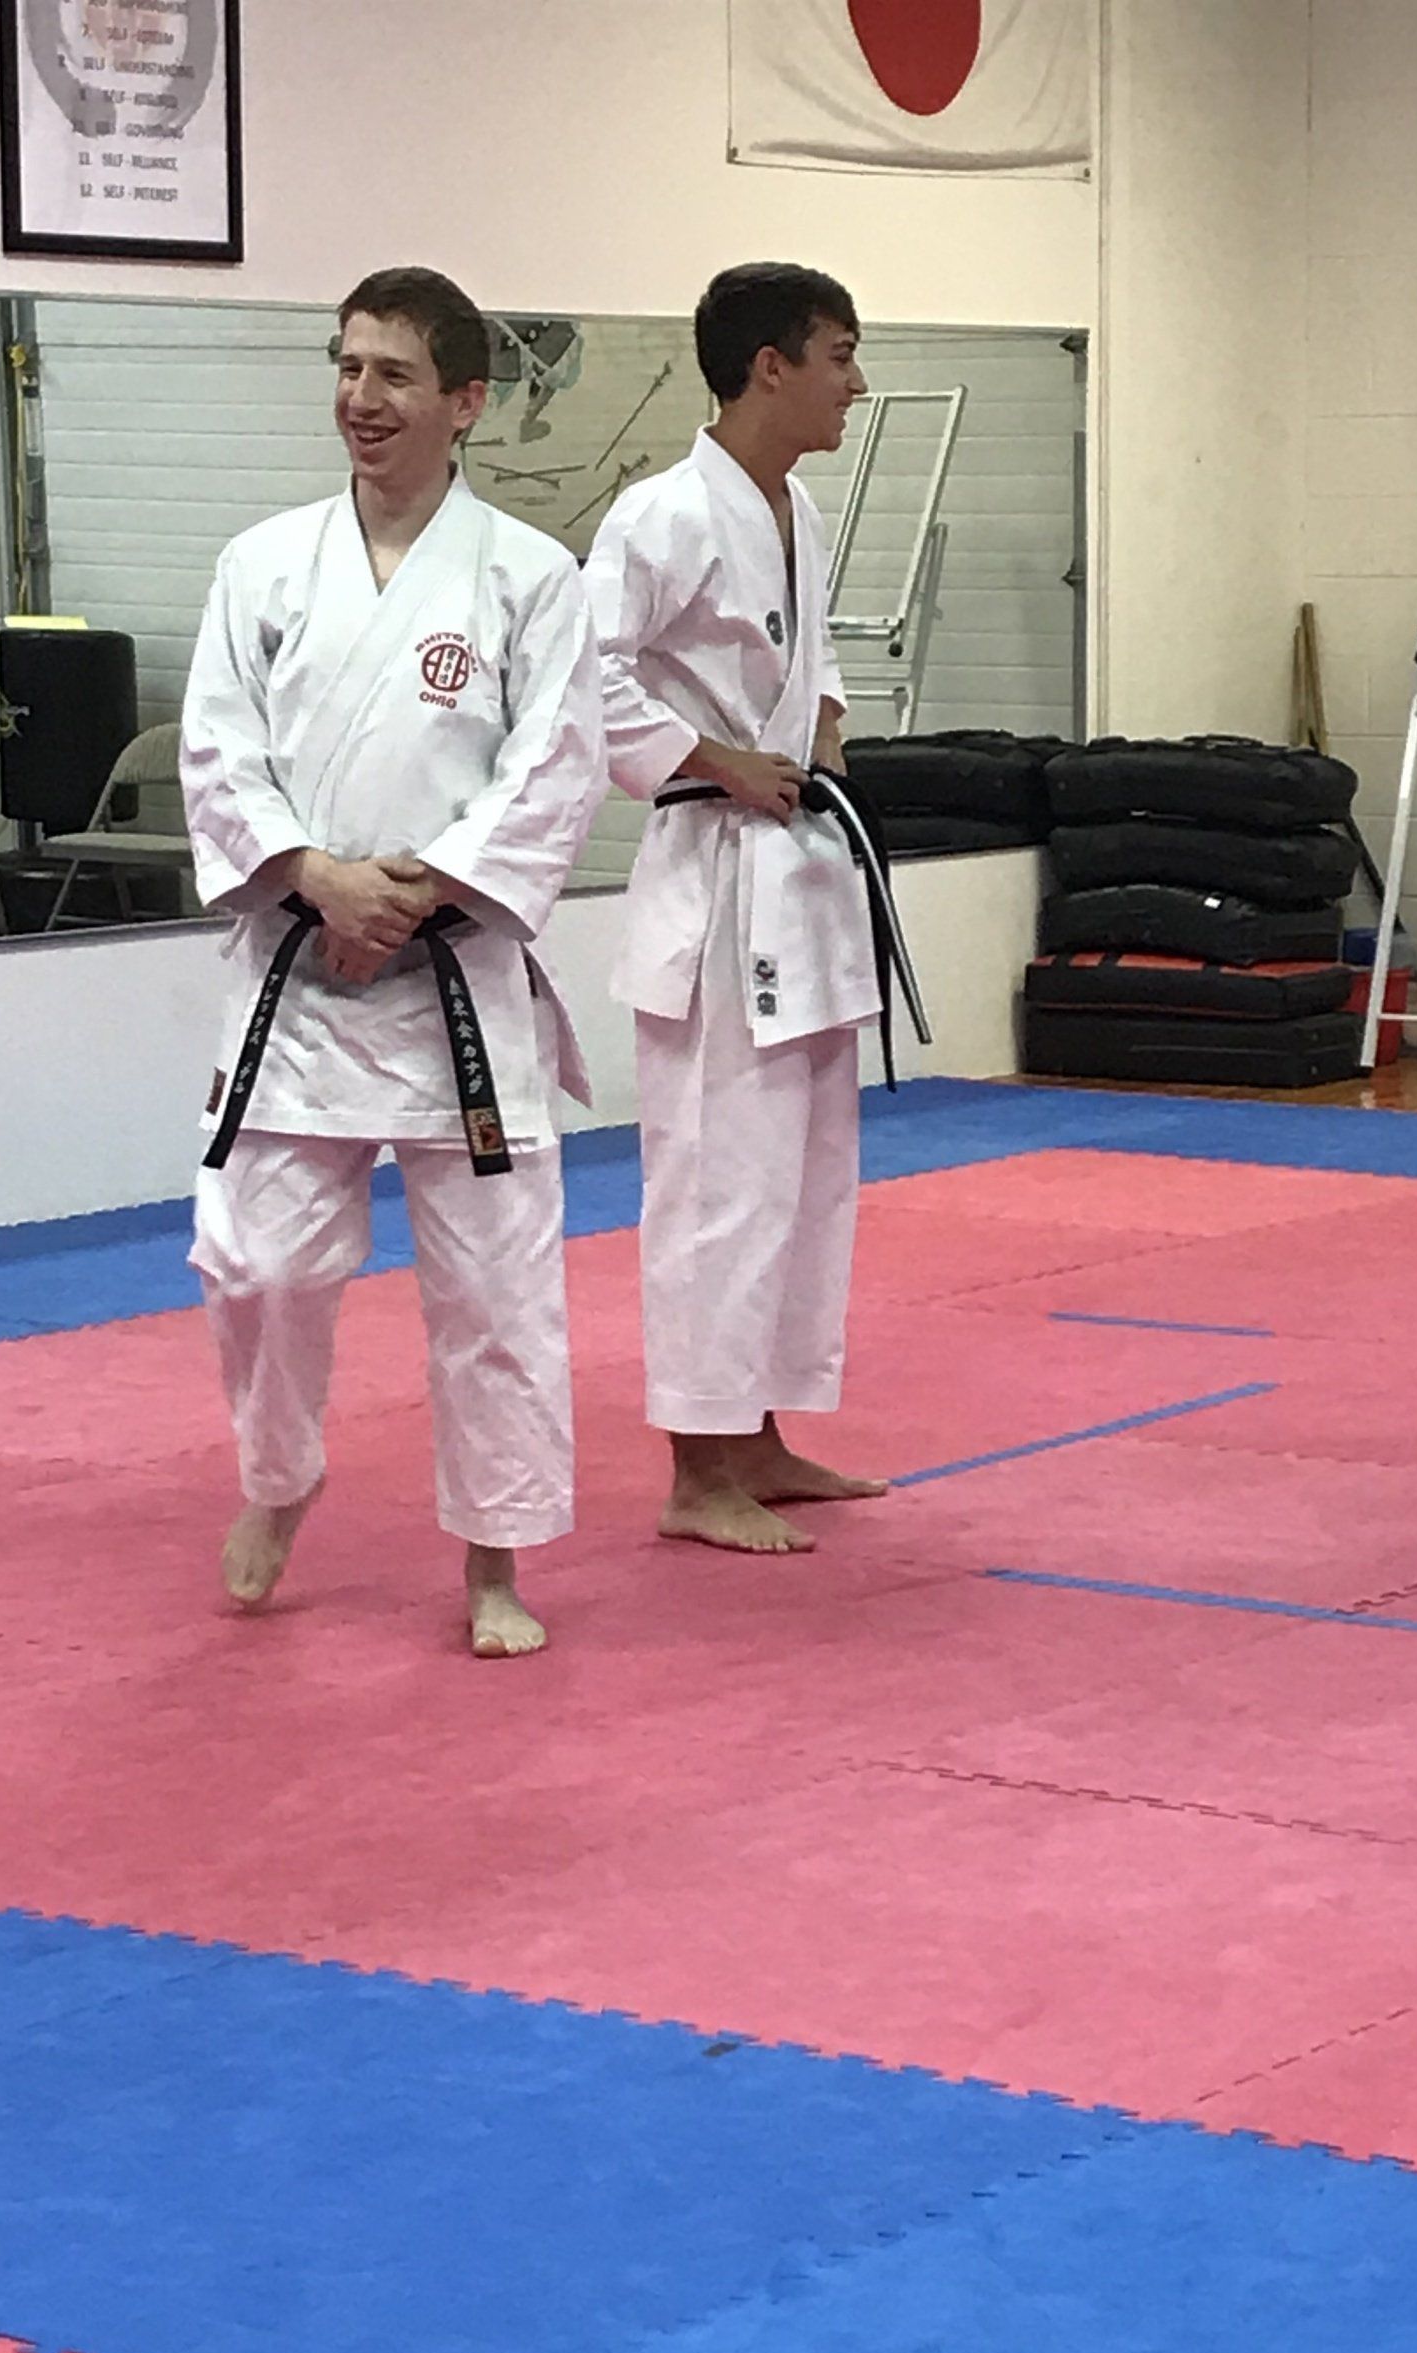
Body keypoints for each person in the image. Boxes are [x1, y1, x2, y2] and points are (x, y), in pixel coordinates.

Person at [180, 265, 607, 1651]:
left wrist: (414, 893)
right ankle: (278, 1475)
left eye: (394, 375)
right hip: (302, 970)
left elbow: (556, 768)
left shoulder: (530, 577)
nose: (361, 398)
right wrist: (318, 877)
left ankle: (494, 1563)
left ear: (466, 401)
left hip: (452, 984)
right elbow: (216, 752)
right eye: (348, 366)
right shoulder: (261, 565)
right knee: (252, 1264)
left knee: (495, 1293)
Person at [584, 262, 890, 1555]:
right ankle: (694, 1472)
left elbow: (814, 659)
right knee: (716, 1183)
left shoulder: (795, 508)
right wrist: (717, 760)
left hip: (797, 881)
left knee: (802, 1183)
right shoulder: (659, 515)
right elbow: (581, 678)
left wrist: (824, 733)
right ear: (770, 366)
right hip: (713, 885)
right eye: (839, 354)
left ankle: (757, 1438)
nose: (854, 383)